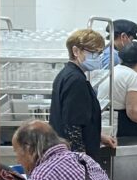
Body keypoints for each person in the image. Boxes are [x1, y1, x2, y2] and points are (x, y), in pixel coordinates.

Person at [49, 29, 116, 160]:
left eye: (100, 53)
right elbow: (73, 125)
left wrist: (98, 136)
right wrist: (80, 160)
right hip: (73, 155)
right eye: (94, 53)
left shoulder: (67, 74)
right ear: (76, 51)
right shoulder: (76, 80)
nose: (99, 57)